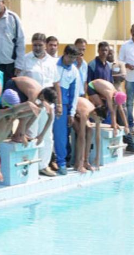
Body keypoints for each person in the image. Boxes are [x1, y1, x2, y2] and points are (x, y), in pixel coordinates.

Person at [18, 33, 62, 176]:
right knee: (31, 133)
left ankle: (43, 165)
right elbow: (20, 80)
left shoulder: (52, 61)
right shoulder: (25, 60)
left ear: (45, 45)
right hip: (33, 104)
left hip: (49, 104)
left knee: (47, 136)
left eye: (40, 45)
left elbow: (56, 84)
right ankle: (30, 165)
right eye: (35, 44)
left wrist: (59, 104)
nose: (37, 47)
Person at [3, 77, 56, 146]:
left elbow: (51, 118)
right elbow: (24, 118)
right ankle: (18, 136)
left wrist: (41, 135)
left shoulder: (43, 97)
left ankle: (20, 134)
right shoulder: (34, 95)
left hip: (22, 90)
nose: (46, 106)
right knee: (32, 111)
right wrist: (22, 135)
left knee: (36, 111)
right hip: (13, 85)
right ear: (42, 97)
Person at [53, 45, 81, 176]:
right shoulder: (53, 64)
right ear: (64, 54)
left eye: (74, 58)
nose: (71, 60)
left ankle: (61, 162)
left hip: (63, 107)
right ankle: (42, 163)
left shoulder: (74, 71)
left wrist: (71, 112)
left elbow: (74, 94)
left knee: (61, 136)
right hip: (47, 102)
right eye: (70, 57)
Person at [72, 97, 106, 172]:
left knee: (90, 131)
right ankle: (78, 163)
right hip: (70, 110)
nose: (100, 121)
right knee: (80, 132)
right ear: (95, 114)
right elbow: (82, 137)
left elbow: (98, 136)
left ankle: (86, 162)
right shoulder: (85, 112)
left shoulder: (96, 112)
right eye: (100, 119)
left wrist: (97, 157)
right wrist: (81, 161)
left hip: (78, 111)